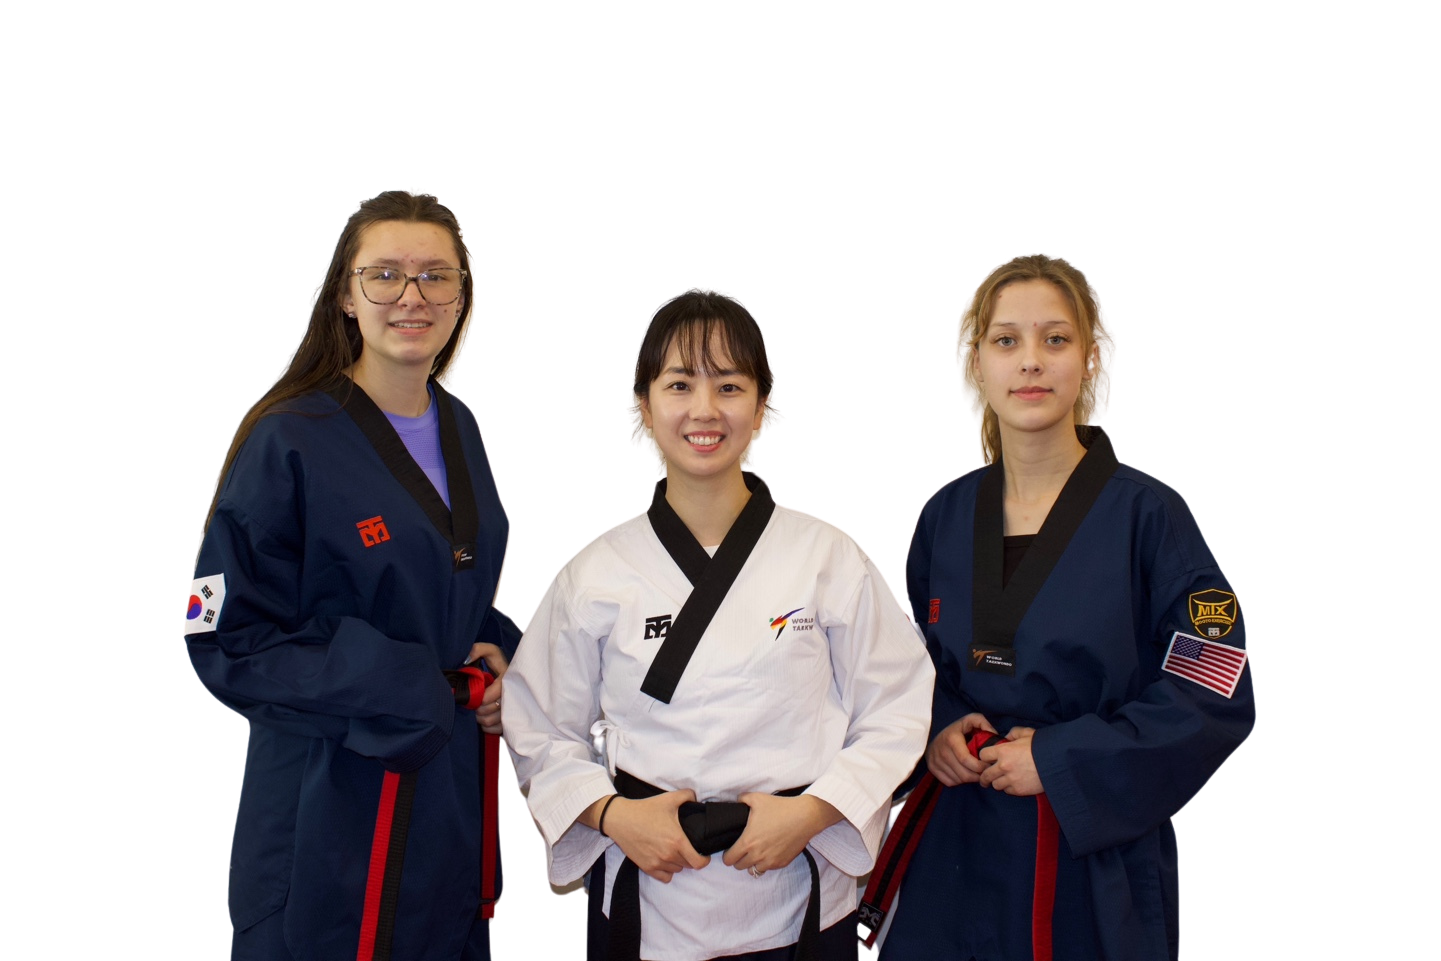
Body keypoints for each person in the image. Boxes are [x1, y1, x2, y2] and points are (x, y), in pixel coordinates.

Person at [501, 288, 934, 961]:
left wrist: (814, 811)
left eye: (728, 385)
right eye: (679, 384)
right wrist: (616, 816)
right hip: (647, 892)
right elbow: (538, 730)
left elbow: (898, 704)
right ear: (641, 407)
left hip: (797, 888)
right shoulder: (594, 572)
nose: (704, 410)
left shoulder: (827, 556)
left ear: (762, 406)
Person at [877, 253, 1254, 961]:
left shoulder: (1152, 515)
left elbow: (1212, 691)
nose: (1030, 362)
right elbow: (903, 662)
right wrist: (941, 724)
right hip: (953, 840)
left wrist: (1058, 758)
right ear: (977, 368)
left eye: (1054, 339)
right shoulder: (944, 513)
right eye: (1006, 341)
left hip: (1088, 847)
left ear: (1089, 360)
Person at [186, 189, 518, 961]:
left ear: (462, 294)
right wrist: (405, 682)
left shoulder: (459, 425)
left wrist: (498, 649)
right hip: (324, 807)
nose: (413, 295)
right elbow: (227, 639)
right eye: (386, 274)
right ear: (344, 291)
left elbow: (442, 591)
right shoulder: (287, 437)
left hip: (446, 804)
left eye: (436, 275)